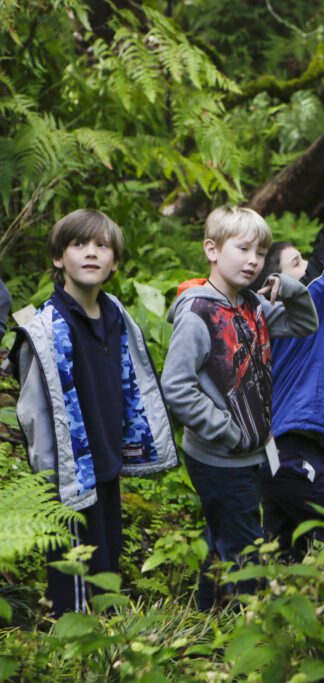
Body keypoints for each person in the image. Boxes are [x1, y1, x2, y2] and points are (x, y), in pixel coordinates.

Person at [13, 209, 178, 616]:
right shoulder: (45, 329)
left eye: (102, 246)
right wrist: (54, 477)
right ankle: (72, 654)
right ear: (58, 258)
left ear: (114, 261)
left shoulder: (116, 316)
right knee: (74, 578)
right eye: (78, 244)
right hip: (70, 478)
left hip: (107, 464)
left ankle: (108, 650)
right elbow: (34, 413)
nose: (91, 253)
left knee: (107, 563)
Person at [161, 206, 318, 610]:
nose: (253, 260)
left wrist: (293, 288)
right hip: (219, 455)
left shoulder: (252, 306)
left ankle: (207, 615)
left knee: (225, 537)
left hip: (253, 450)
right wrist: (226, 431)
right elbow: (176, 386)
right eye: (243, 248)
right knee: (247, 550)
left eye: (261, 253)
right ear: (212, 250)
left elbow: (304, 326)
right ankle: (246, 630)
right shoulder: (198, 314)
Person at [249, 160, 324, 590]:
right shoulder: (291, 308)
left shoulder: (312, 318)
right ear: (274, 282)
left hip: (299, 447)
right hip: (289, 450)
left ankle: (271, 633)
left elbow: (310, 377)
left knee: (284, 554)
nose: (307, 270)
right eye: (297, 263)